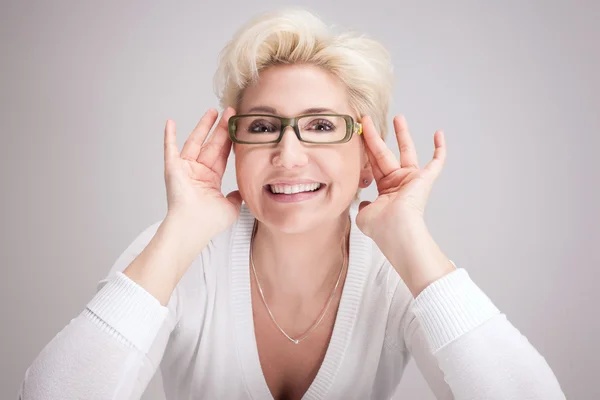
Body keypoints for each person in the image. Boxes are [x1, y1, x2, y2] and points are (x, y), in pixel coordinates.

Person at [19, 7, 566, 400]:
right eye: (263, 127)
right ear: (235, 148)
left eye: (322, 126)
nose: (288, 154)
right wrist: (180, 232)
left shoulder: (395, 268)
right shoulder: (180, 252)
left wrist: (413, 241)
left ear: (367, 154)